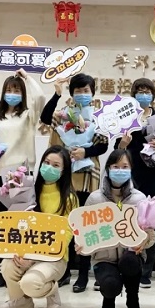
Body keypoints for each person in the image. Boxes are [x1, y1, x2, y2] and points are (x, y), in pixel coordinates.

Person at [40, 73, 109, 293]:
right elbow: (45, 118)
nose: (82, 94)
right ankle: (64, 271)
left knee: (85, 226)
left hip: (88, 176)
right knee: (65, 223)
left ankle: (83, 274)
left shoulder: (99, 116)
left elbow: (104, 145)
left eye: (86, 90)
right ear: (72, 93)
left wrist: (85, 152)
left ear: (93, 92)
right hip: (66, 177)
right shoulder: (64, 113)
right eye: (78, 91)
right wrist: (56, 94)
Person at [0, 69, 46, 288]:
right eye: (9, 90)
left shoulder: (28, 115)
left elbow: (40, 97)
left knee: (17, 225)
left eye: (17, 90)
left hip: (19, 176)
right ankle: (1, 268)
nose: (12, 94)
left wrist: (26, 77)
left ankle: (15, 267)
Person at [0, 146, 78, 308]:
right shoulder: (29, 192)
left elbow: (66, 235)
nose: (49, 167)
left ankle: (52, 292)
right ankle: (20, 301)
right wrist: (21, 253)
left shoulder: (69, 198)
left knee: (30, 283)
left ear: (64, 170)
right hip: (27, 252)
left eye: (56, 165)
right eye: (46, 163)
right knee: (7, 266)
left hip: (55, 257)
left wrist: (35, 259)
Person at [82, 149, 155, 308]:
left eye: (125, 166)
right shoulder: (94, 199)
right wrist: (83, 246)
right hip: (103, 258)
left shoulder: (140, 199)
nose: (120, 170)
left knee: (129, 262)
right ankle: (109, 296)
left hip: (131, 255)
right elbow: (83, 230)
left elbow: (151, 233)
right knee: (110, 286)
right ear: (108, 168)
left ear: (131, 169)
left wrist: (144, 240)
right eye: (115, 166)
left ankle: (132, 298)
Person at [115, 78, 155, 288]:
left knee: (151, 224)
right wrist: (123, 143)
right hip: (131, 172)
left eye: (147, 91)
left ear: (153, 95)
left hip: (154, 175)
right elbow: (117, 149)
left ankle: (146, 272)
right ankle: (127, 267)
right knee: (128, 220)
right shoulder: (126, 117)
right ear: (134, 94)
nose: (144, 94)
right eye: (140, 91)